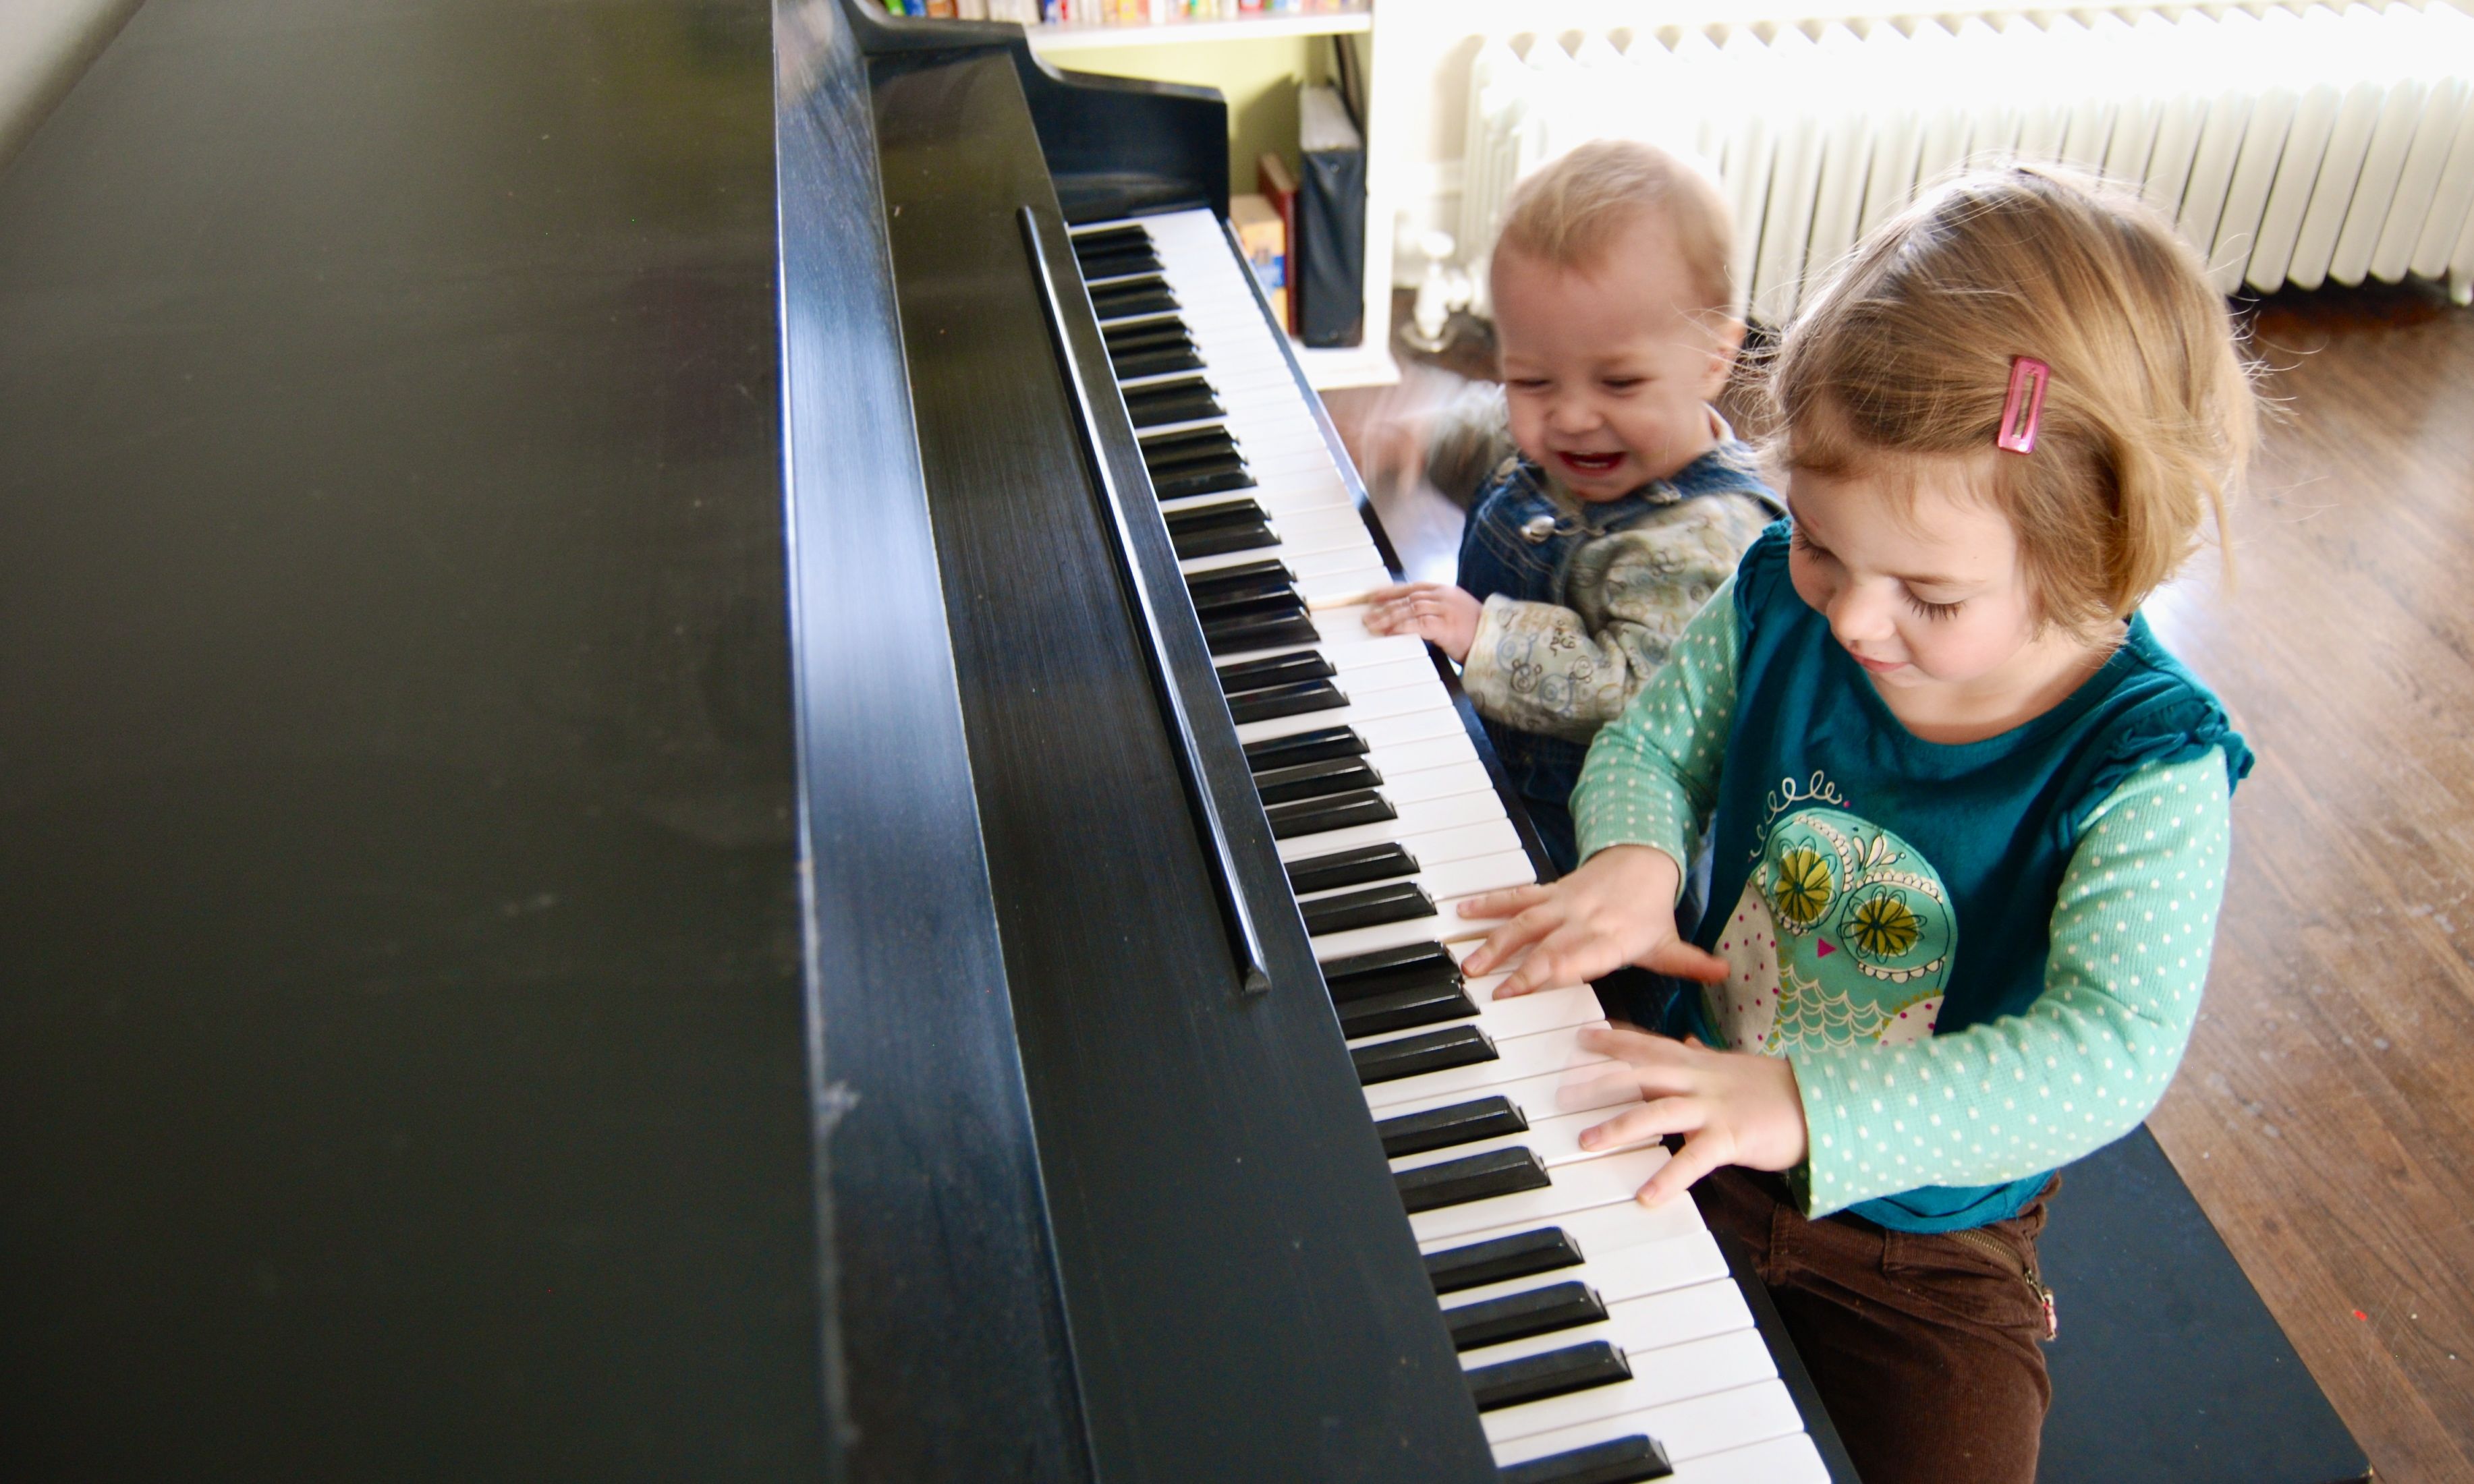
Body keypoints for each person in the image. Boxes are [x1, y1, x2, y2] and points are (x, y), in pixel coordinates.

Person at [1456, 166, 2257, 1484]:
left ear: (2099, 554)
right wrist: (1633, 855)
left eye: (1929, 597)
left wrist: (1801, 1102)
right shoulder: (1780, 596)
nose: (1852, 617)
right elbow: (1650, 744)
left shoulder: (2145, 761)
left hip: (1924, 1241)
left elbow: (2108, 1049)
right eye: (1824, 544)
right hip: (1688, 1094)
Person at [1361, 140, 1779, 873]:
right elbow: (1498, 436)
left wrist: (1487, 636)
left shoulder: (1708, 541)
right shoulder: (1573, 438)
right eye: (1533, 381)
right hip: (1490, 766)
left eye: (1618, 384)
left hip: (1592, 842)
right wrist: (1426, 441)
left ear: (1715, 359)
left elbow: (1639, 691)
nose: (1572, 418)